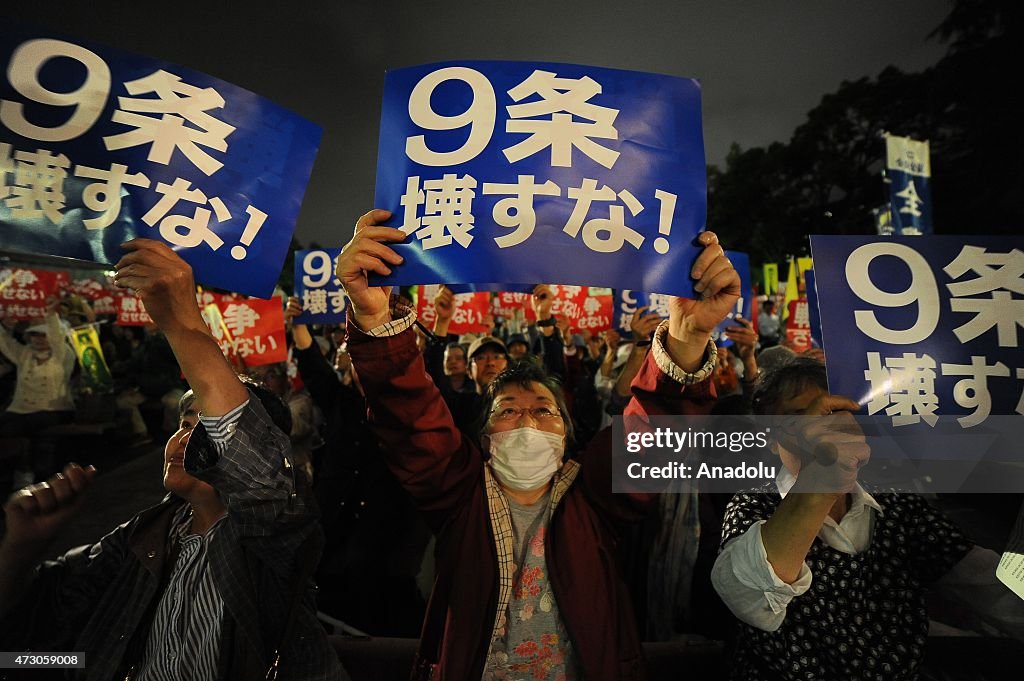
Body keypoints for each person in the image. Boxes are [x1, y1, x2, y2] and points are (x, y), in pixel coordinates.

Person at [336, 208, 739, 681]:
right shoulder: (457, 491)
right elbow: (409, 415)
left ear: (567, 436)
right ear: (484, 437)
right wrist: (375, 316)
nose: (527, 418)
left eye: (544, 410)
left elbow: (653, 433)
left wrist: (688, 336)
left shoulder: (595, 495)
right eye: (507, 410)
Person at [0, 240, 344, 681]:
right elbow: (30, 642)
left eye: (209, 425)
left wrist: (181, 319)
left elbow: (252, 466)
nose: (188, 438)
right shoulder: (138, 540)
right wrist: (20, 550)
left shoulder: (274, 539)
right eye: (184, 423)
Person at [711, 357, 1024, 680]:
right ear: (771, 439)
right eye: (799, 416)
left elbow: (990, 584)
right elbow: (746, 596)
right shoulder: (754, 504)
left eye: (833, 410)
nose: (823, 424)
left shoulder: (897, 505)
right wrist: (823, 475)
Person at [0, 300, 76, 485]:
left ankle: (31, 473)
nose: (38, 339)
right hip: (20, 409)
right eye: (34, 335)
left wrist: (51, 314)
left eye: (43, 335)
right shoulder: (24, 353)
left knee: (28, 428)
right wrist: (3, 324)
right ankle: (18, 471)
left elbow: (58, 337)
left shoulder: (62, 354)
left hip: (53, 409)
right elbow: (4, 342)